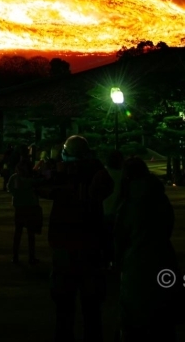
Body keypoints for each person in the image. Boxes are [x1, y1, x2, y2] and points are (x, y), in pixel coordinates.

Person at [42, 134, 113, 342]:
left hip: (65, 245)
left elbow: (41, 187)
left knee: (64, 309)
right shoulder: (97, 173)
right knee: (92, 310)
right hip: (92, 245)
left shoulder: (63, 175)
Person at [115, 157, 185, 342]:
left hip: (136, 262)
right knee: (163, 318)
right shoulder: (159, 196)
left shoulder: (128, 201)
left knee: (135, 319)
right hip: (162, 258)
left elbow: (120, 235)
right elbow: (168, 225)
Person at [7, 157, 41, 265]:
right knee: (31, 234)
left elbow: (10, 189)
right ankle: (31, 257)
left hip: (19, 207)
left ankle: (15, 256)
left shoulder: (15, 178)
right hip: (31, 207)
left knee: (18, 232)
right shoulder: (33, 179)